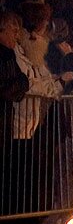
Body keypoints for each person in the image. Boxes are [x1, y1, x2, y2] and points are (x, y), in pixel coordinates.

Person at [1, 10, 30, 147]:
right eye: (13, 31)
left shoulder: (9, 55)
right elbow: (8, 89)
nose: (17, 36)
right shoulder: (5, 56)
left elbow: (22, 80)